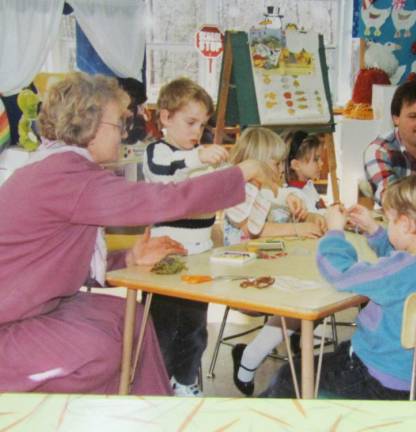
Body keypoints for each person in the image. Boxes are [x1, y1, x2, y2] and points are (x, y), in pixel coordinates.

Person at [0, 72, 275, 395]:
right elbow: (165, 199)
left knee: (131, 319)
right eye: (119, 125)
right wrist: (240, 173)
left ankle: (153, 412)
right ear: (91, 128)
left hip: (34, 310)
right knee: (103, 351)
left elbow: (59, 262)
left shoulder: (63, 168)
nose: (123, 135)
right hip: (11, 325)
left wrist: (127, 258)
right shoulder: (65, 176)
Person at [262, 173, 416, 399]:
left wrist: (335, 231)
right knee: (338, 353)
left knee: (289, 375)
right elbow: (400, 264)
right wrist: (374, 229)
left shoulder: (397, 273)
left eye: (389, 220)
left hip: (374, 377)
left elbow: (340, 274)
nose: (388, 224)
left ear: (405, 225)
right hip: (411, 373)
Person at [141, 77, 230, 397]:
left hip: (200, 257)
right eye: (190, 122)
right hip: (165, 260)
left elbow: (220, 195)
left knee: (194, 330)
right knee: (162, 329)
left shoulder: (200, 159)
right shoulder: (157, 153)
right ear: (165, 118)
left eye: (202, 124)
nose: (197, 131)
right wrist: (198, 159)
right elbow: (167, 172)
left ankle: (186, 381)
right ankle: (158, 385)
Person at [231, 129, 328, 396]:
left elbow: (281, 195)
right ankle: (250, 359)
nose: (279, 168)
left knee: (307, 291)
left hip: (267, 265)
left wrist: (307, 214)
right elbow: (254, 230)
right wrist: (298, 229)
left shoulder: (262, 189)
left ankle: (251, 357)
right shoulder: (238, 193)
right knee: (298, 299)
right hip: (242, 277)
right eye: (275, 164)